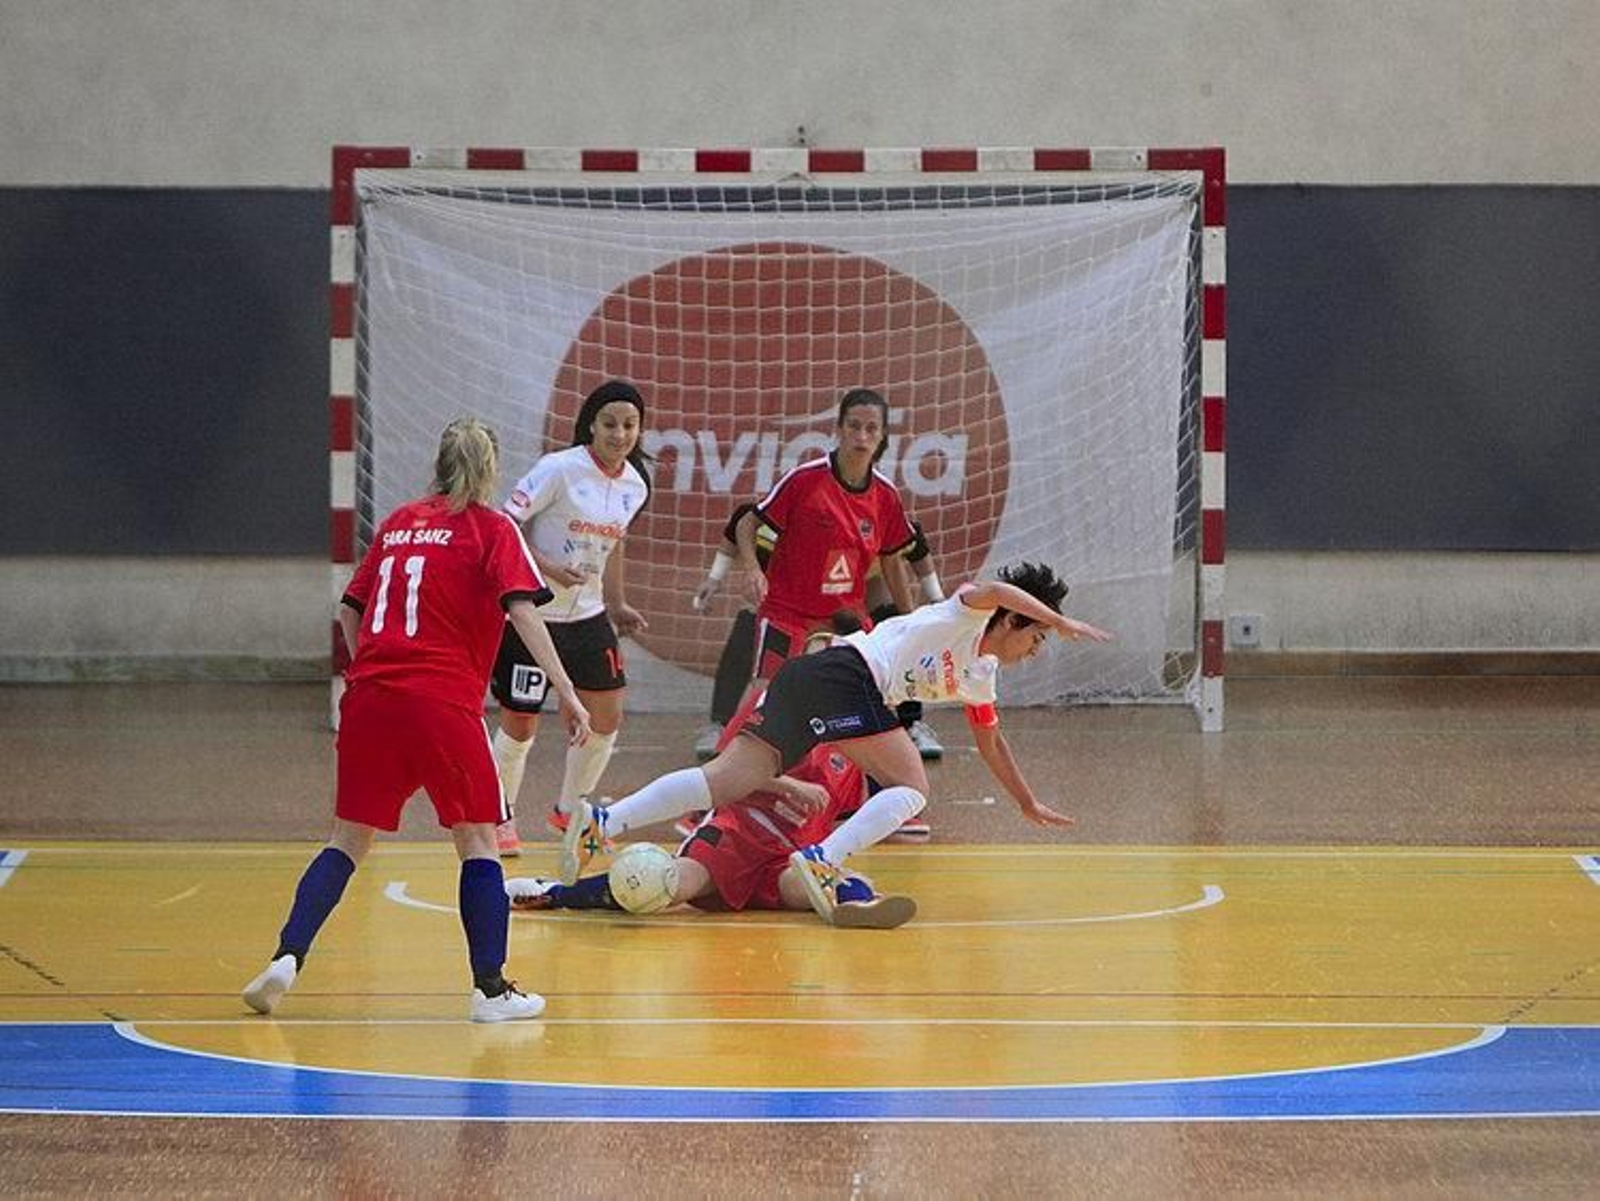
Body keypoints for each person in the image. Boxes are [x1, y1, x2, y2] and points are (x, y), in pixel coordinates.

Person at [240, 418, 592, 1023]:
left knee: (347, 840)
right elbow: (526, 617)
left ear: (439, 464)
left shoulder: (399, 523)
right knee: (478, 841)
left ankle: (286, 956)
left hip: (370, 698)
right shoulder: (491, 528)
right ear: (489, 469)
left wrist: (375, 670)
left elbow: (349, 610)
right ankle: (490, 989)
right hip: (441, 703)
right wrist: (567, 692)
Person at [558, 562, 1113, 922]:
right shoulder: (962, 615)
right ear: (1013, 620)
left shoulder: (980, 676)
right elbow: (992, 589)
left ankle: (603, 822)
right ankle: (822, 860)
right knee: (912, 786)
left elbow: (992, 743)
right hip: (845, 674)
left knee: (724, 780)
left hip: (813, 685)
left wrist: (1025, 801)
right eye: (1037, 636)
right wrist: (1063, 621)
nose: (1038, 648)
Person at [517, 619, 916, 928]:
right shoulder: (784, 705)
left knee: (816, 889)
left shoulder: (865, 742)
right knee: (668, 885)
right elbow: (726, 767)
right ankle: (555, 892)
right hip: (738, 834)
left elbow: (855, 812)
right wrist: (788, 784)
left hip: (792, 856)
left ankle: (861, 902)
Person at [488, 380, 652, 856]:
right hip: (531, 615)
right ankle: (500, 816)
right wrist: (548, 567)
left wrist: (618, 603)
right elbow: (504, 526)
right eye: (610, 424)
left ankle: (569, 812)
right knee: (520, 724)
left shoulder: (635, 485)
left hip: (589, 617)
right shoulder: (558, 469)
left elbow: (614, 546)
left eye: (629, 425)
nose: (619, 434)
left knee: (607, 716)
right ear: (590, 425)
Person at [732, 388, 916, 706]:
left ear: (883, 435)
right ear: (839, 428)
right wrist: (752, 570)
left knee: (866, 697)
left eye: (871, 428)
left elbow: (892, 561)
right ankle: (730, 753)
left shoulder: (886, 496)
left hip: (845, 617)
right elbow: (746, 524)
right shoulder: (805, 480)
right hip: (786, 611)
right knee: (765, 694)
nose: (861, 436)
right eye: (854, 426)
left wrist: (912, 621)